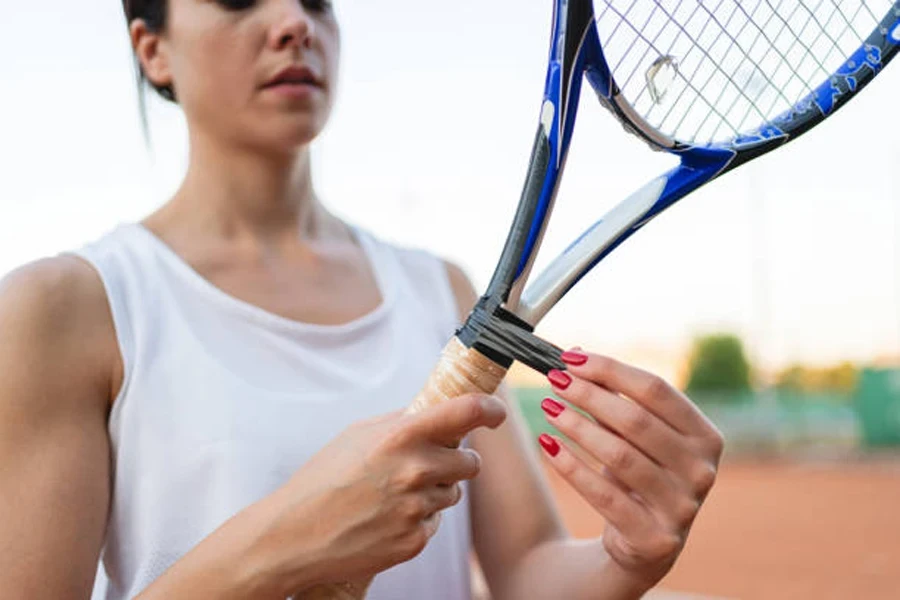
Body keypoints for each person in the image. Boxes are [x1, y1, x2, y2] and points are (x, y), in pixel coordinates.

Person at [0, 1, 725, 598]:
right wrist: (291, 537)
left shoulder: (436, 287)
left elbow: (528, 567)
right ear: (151, 49)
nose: (292, 21)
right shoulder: (62, 308)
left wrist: (625, 559)